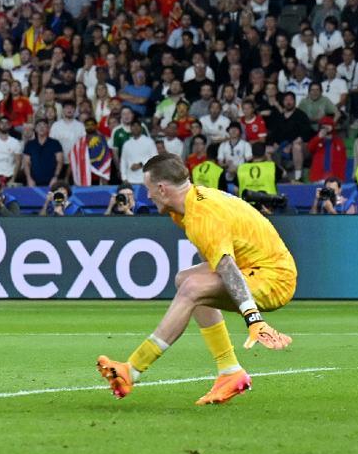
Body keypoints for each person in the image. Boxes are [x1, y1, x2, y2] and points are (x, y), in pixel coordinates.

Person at [97, 154, 295, 406]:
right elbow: (218, 261)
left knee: (192, 287)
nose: (147, 196)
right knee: (186, 279)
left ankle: (131, 370)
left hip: (274, 278)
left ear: (162, 188)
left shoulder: (202, 214)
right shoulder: (187, 206)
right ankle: (229, 371)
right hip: (254, 266)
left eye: (148, 189)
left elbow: (227, 267)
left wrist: (253, 318)